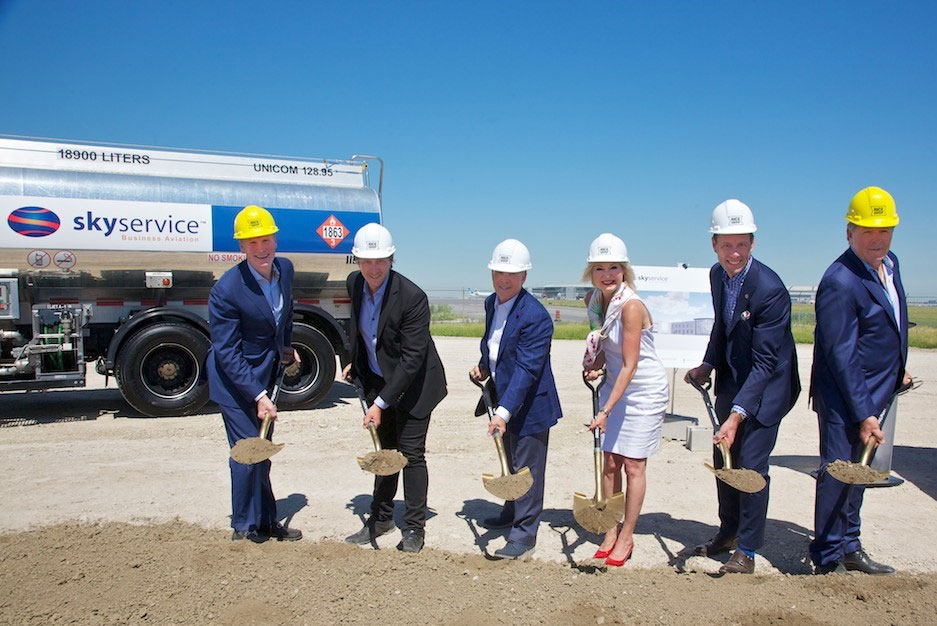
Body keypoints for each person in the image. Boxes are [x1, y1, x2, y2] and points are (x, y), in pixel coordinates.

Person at [685, 199, 800, 574]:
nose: (734, 253)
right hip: (734, 381)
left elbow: (767, 362)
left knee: (751, 466)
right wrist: (708, 363)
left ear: (753, 244)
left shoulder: (770, 289)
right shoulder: (718, 276)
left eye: (742, 245)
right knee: (724, 460)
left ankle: (747, 550)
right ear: (714, 245)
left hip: (768, 390)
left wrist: (736, 415)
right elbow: (723, 326)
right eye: (726, 245)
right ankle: (728, 532)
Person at [809, 186, 911, 575]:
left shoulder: (890, 263)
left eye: (884, 230)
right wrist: (864, 412)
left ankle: (850, 544)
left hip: (877, 391)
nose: (877, 239)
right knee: (838, 472)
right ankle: (828, 557)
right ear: (849, 232)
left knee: (861, 471)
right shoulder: (840, 280)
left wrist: (898, 366)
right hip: (845, 398)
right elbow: (842, 354)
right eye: (867, 231)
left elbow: (892, 321)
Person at [342, 223, 447, 553]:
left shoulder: (413, 297)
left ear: (391, 259)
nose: (374, 268)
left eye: (381, 261)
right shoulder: (354, 283)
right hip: (380, 380)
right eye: (367, 261)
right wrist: (354, 363)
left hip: (416, 386)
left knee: (410, 455)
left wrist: (380, 404)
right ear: (357, 261)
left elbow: (413, 358)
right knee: (384, 453)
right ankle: (381, 518)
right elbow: (361, 332)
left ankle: (415, 528)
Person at [207, 204, 302, 543]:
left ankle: (266, 520)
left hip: (266, 372)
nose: (261, 249)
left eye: (266, 240)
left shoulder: (286, 269)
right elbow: (227, 352)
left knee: (263, 449)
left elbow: (285, 312)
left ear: (275, 240)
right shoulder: (227, 290)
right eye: (252, 243)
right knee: (247, 451)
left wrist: (285, 345)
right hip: (234, 382)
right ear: (241, 248)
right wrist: (258, 396)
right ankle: (243, 527)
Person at [469, 239, 562, 560]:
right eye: (498, 272)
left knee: (527, 472)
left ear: (524, 276)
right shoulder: (491, 303)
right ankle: (511, 511)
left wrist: (504, 413)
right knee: (510, 463)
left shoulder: (536, 316)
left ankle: (524, 535)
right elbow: (493, 344)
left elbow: (527, 368)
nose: (503, 279)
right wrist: (484, 366)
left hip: (530, 405)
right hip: (503, 399)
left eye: (512, 273)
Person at [581, 233, 669, 567]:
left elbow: (631, 365)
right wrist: (596, 366)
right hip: (615, 386)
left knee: (633, 464)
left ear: (624, 270)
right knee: (609, 463)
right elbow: (605, 349)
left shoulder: (631, 307)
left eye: (614, 267)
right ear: (591, 271)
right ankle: (609, 530)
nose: (607, 274)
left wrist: (605, 410)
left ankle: (627, 536)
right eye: (600, 267)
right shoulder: (594, 300)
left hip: (642, 390)